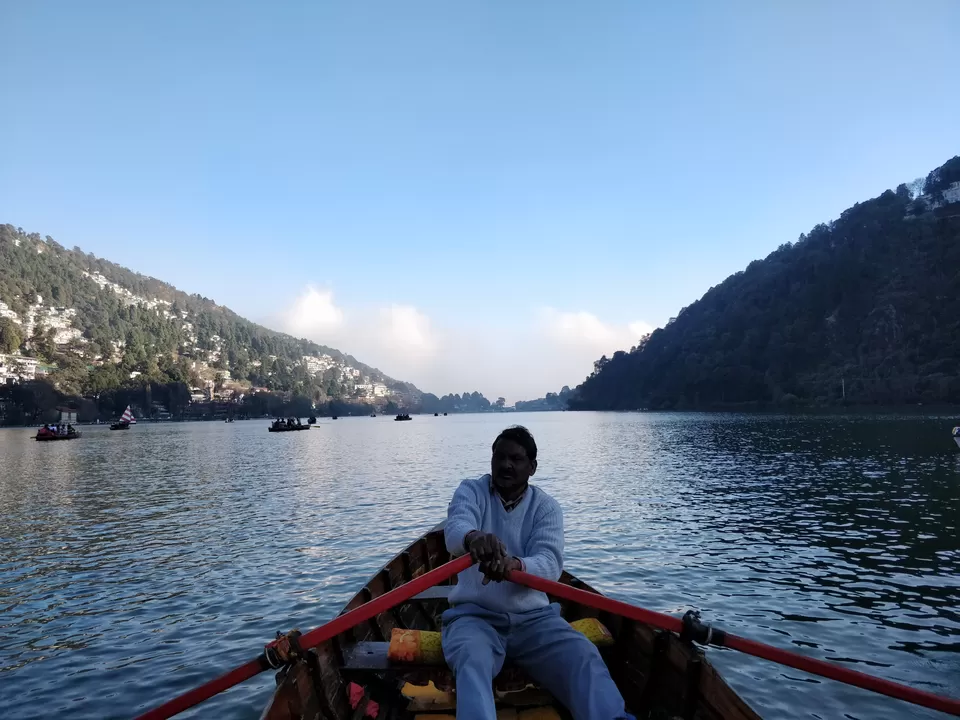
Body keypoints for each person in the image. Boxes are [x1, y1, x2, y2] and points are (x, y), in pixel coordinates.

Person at [443, 426, 630, 720]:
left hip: (535, 621)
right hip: (474, 617)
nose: (506, 465)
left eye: (516, 459)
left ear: (532, 468)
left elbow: (550, 563)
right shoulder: (471, 491)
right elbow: (455, 532)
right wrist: (474, 538)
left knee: (583, 655)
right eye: (500, 457)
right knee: (471, 659)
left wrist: (516, 565)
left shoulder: (546, 508)